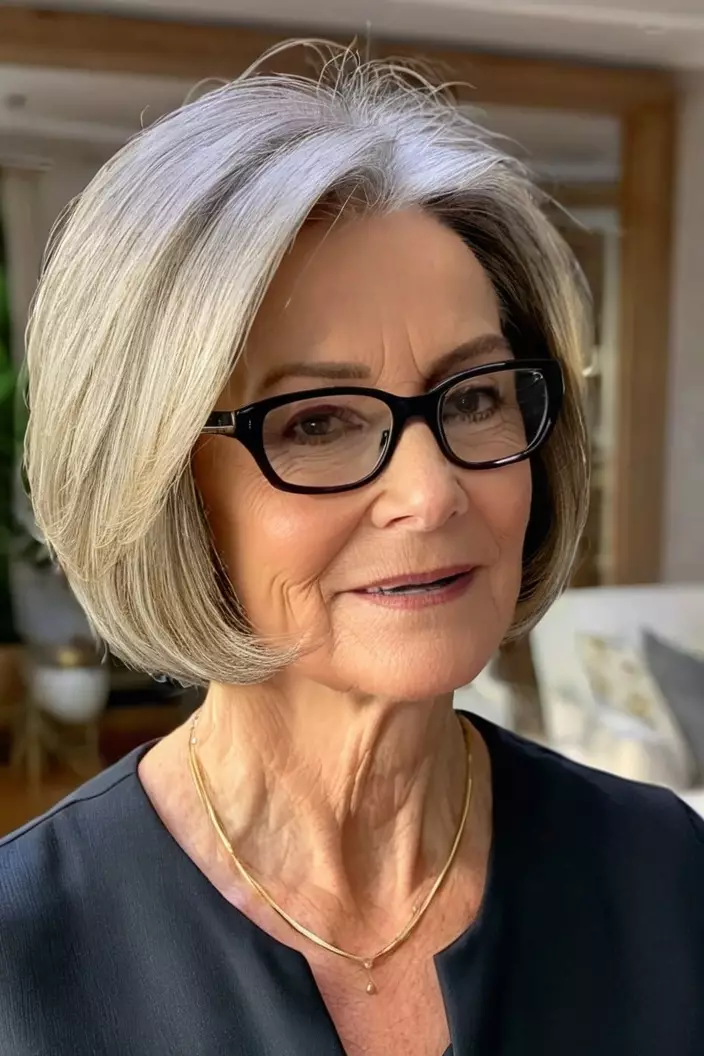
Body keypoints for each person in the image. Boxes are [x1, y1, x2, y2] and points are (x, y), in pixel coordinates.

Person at [1, 43, 702, 1056]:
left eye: (470, 397)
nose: (429, 491)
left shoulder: (661, 870)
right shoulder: (24, 960)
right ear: (158, 484)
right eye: (316, 422)